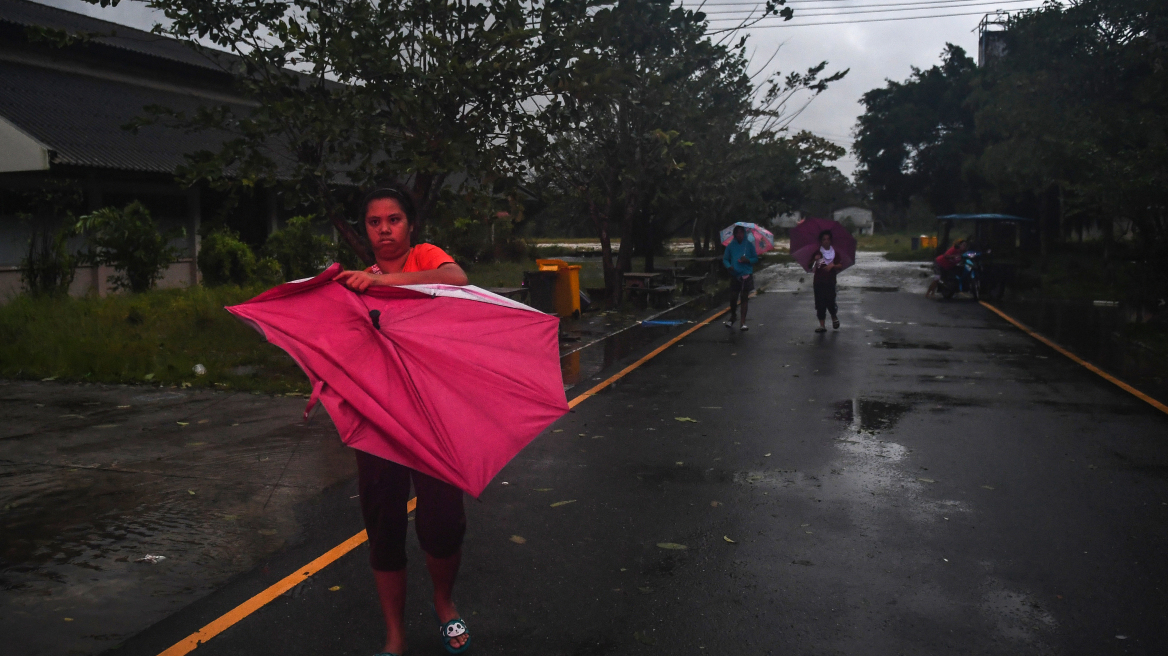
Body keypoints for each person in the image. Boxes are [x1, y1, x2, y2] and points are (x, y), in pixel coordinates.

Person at [334, 188, 472, 656]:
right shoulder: (354, 283)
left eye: (394, 219)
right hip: (378, 420)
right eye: (374, 222)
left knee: (443, 521)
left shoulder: (424, 259)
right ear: (364, 230)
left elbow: (457, 278)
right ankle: (395, 634)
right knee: (383, 525)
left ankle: (444, 601)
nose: (385, 229)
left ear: (410, 226)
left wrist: (383, 286)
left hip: (434, 415)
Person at [722, 225, 759, 331]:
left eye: (741, 232)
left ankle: (743, 322)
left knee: (744, 298)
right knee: (733, 298)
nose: (739, 235)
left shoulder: (749, 245)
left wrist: (748, 260)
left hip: (746, 275)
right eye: (737, 233)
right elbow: (725, 259)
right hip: (735, 275)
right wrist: (729, 266)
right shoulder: (731, 246)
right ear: (734, 234)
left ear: (744, 233)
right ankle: (733, 315)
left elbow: (755, 259)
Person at [813, 230, 842, 333]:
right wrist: (815, 260)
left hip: (830, 281)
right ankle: (822, 325)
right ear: (821, 241)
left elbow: (840, 265)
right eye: (824, 239)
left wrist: (832, 265)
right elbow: (809, 266)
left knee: (830, 300)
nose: (826, 241)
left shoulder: (835, 253)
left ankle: (834, 317)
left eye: (828, 239)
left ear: (830, 241)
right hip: (818, 282)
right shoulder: (817, 253)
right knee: (820, 303)